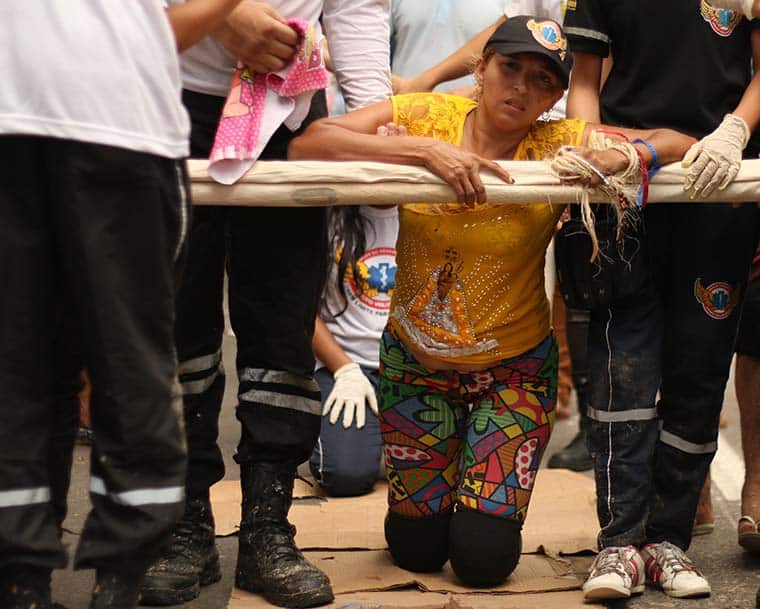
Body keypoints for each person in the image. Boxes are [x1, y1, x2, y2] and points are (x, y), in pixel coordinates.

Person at [290, 15, 695, 587]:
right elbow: (310, 141)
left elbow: (680, 143)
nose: (522, 88)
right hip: (415, 368)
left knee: (483, 561)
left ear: (556, 95)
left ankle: (476, 488)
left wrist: (629, 157)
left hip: (512, 375)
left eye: (542, 81)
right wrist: (424, 154)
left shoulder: (557, 142)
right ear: (480, 69)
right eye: (509, 68)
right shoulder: (427, 115)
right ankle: (444, 486)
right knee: (417, 551)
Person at [139, 2, 391, 608]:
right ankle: (185, 526)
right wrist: (214, 15)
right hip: (166, 91)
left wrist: (370, 125)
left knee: (283, 324)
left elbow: (358, 12)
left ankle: (267, 529)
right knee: (174, 323)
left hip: (289, 110)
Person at [0, 2, 247, 608]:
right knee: (36, 367)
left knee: (115, 367)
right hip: (58, 114)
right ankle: (29, 582)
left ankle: (108, 580)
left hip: (114, 117)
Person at [562, 0, 760, 600]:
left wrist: (735, 131)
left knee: (698, 366)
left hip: (719, 185)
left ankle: (669, 541)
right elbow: (584, 81)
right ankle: (619, 544)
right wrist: (592, 148)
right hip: (630, 180)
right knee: (622, 358)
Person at [309, 204, 398, 497]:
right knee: (345, 474)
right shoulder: (327, 214)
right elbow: (299, 308)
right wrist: (345, 370)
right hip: (346, 367)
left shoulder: (431, 209)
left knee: (465, 475)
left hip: (416, 369)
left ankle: (384, 444)